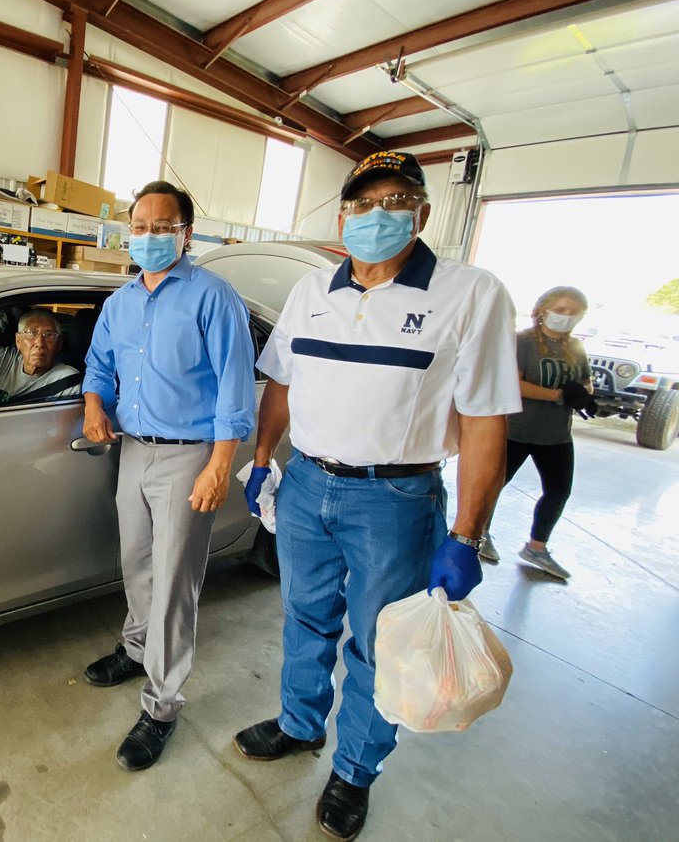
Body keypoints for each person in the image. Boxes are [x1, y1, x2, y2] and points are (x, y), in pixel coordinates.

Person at [233, 151, 521, 840]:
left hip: (394, 499)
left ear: (422, 213)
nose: (376, 216)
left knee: (378, 643)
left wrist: (467, 534)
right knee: (304, 618)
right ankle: (301, 725)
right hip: (306, 485)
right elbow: (283, 382)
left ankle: (355, 770)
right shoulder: (312, 290)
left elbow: (486, 422)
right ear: (343, 215)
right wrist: (263, 460)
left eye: (395, 201)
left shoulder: (471, 294)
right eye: (362, 204)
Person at [81, 180, 256, 771]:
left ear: (185, 233)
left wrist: (219, 465)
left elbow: (234, 386)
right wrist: (92, 405)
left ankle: (160, 705)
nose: (150, 237)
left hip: (190, 454)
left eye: (163, 226)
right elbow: (100, 364)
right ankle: (135, 649)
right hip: (134, 449)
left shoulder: (214, 297)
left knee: (176, 580)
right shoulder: (120, 302)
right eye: (141, 226)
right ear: (127, 231)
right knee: (136, 562)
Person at [481, 286, 593, 580]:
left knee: (558, 491)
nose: (566, 317)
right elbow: (514, 383)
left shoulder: (575, 348)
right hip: (516, 428)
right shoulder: (523, 343)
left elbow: (585, 383)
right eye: (561, 310)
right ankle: (479, 533)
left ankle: (537, 546)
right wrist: (558, 395)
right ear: (543, 310)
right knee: (494, 484)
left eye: (573, 312)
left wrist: (581, 394)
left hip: (556, 434)